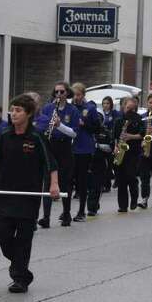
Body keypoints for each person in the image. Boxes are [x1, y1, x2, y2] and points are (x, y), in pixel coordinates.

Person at [0, 94, 59, 293]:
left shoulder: (37, 137)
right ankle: (21, 267)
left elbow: (51, 164)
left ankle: (20, 278)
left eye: (18, 110)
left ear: (28, 114)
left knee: (23, 239)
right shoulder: (4, 136)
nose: (13, 113)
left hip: (28, 196)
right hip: (6, 193)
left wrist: (53, 185)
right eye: (12, 110)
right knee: (0, 231)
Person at [36, 82, 79, 226]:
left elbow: (74, 133)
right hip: (50, 145)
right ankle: (46, 217)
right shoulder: (48, 108)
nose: (58, 95)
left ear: (67, 93)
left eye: (61, 92)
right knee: (47, 181)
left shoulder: (72, 110)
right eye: (56, 92)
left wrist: (59, 125)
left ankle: (66, 214)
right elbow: (42, 124)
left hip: (65, 147)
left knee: (65, 182)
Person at [70, 85, 99, 220]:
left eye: (78, 95)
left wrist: (84, 124)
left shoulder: (90, 109)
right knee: (69, 181)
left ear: (83, 95)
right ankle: (66, 211)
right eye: (74, 95)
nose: (76, 97)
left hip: (84, 148)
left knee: (82, 181)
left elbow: (96, 128)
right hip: (70, 147)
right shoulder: (70, 108)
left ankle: (81, 211)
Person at [111, 96, 143, 215]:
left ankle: (134, 196)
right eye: (128, 108)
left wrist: (130, 136)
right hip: (120, 151)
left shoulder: (138, 119)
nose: (130, 111)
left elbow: (143, 134)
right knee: (121, 179)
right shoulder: (119, 120)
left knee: (130, 176)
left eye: (132, 109)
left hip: (133, 152)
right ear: (123, 107)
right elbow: (114, 136)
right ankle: (122, 206)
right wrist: (115, 146)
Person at [95, 96, 117, 195]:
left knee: (109, 163)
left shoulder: (114, 114)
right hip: (100, 138)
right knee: (101, 164)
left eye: (107, 103)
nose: (105, 105)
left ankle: (107, 184)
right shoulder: (100, 113)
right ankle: (102, 183)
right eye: (104, 103)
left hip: (109, 138)